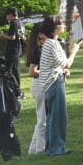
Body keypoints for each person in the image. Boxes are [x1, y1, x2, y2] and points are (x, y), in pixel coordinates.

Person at [33, 16, 78, 156]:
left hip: (49, 84)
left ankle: (51, 148)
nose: (64, 25)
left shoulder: (49, 43)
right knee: (58, 117)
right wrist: (74, 50)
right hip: (54, 83)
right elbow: (66, 63)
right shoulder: (53, 43)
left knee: (52, 117)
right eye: (61, 23)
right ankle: (57, 148)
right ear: (55, 28)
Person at [26, 21, 50, 155]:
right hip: (39, 84)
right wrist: (48, 71)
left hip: (40, 84)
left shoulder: (39, 49)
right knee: (43, 119)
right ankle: (40, 149)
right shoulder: (38, 51)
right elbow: (32, 72)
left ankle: (33, 149)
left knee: (42, 118)